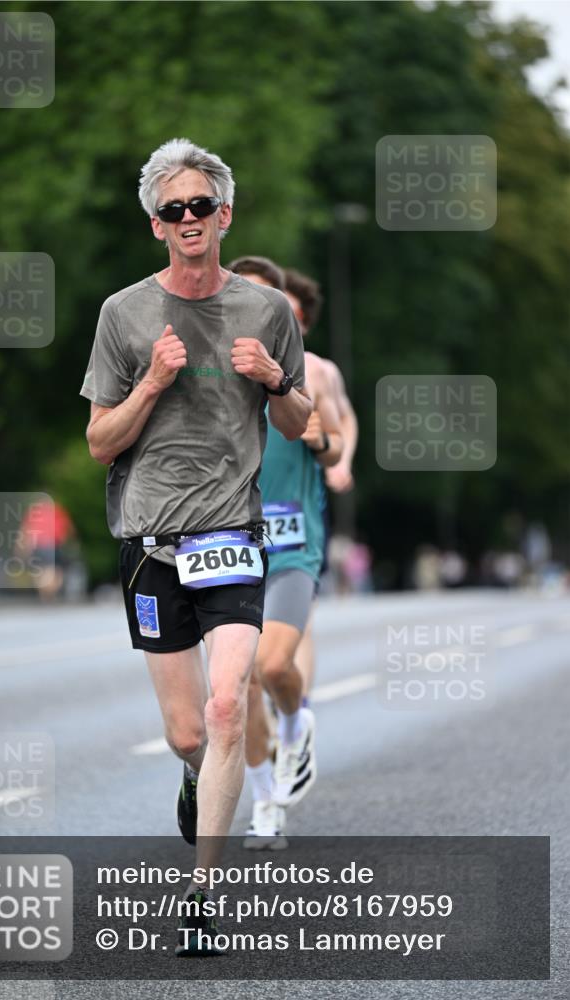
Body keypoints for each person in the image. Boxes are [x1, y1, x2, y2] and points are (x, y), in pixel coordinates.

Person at [80, 139, 311, 952]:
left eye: (201, 206)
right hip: (149, 539)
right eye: (173, 209)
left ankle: (203, 898)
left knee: (224, 708)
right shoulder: (123, 315)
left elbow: (300, 423)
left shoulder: (266, 313)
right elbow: (100, 444)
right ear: (156, 225)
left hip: (231, 532)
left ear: (224, 215)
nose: (189, 220)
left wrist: (276, 381)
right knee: (188, 733)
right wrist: (148, 383)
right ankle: (191, 775)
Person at [228, 256, 343, 849]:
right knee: (240, 685)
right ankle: (266, 803)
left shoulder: (306, 373)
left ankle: (297, 723)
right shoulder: (213, 373)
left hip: (292, 544)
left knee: (275, 668)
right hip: (227, 544)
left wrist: (326, 445)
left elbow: (332, 445)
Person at [283, 268, 358, 698]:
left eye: (291, 312)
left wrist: (339, 462)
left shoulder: (319, 371)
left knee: (300, 621)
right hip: (244, 506)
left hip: (297, 508)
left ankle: (298, 711)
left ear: (305, 323)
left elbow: (342, 423)